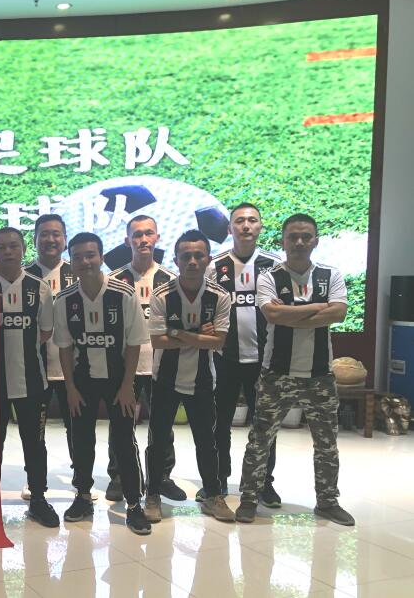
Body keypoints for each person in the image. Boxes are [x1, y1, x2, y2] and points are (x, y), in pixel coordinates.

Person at [236, 214, 353, 526]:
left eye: (306, 236)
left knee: (326, 445)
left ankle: (327, 502)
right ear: (283, 241)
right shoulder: (269, 277)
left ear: (316, 241)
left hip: (319, 376)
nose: (299, 242)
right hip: (276, 374)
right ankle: (248, 500)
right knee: (260, 441)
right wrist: (318, 307)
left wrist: (292, 312)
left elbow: (339, 313)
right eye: (293, 237)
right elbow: (273, 316)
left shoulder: (330, 275)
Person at [53, 233, 152, 535]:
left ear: (101, 257)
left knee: (124, 442)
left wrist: (127, 386)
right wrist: (70, 388)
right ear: (71, 261)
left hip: (118, 380)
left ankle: (134, 505)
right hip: (82, 382)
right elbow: (65, 348)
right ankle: (83, 496)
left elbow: (134, 343)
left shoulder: (123, 294)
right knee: (82, 440)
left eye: (90, 255)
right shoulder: (65, 300)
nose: (85, 261)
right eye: (78, 256)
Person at [0, 227, 58, 528]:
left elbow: (45, 332)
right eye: (1, 247)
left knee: (35, 443)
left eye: (13, 246)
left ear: (23, 250)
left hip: (32, 382)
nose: (7, 252)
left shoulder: (39, 288)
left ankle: (39, 499)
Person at [144, 229, 234, 523]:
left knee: (207, 442)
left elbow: (218, 341)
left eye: (199, 255)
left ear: (208, 259)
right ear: (176, 260)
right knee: (158, 442)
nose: (192, 261)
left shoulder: (219, 296)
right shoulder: (162, 295)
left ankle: (213, 495)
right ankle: (152, 495)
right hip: (165, 380)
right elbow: (157, 341)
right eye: (186, 256)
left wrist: (176, 332)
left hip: (203, 381)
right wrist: (196, 334)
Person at [204, 203, 282, 505]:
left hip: (264, 361)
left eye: (252, 220)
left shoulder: (274, 266)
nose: (246, 225)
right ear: (230, 228)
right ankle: (218, 480)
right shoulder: (216, 266)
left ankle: (263, 483)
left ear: (260, 226)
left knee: (265, 426)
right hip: (223, 359)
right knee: (219, 424)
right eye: (239, 221)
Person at [107, 215, 184, 503]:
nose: (143, 239)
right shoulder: (114, 280)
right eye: (137, 234)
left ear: (157, 238)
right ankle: (119, 476)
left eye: (148, 233)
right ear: (127, 240)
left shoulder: (171, 280)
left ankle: (161, 477)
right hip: (125, 367)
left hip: (161, 365)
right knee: (121, 425)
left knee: (162, 426)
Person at [22, 214, 77, 502]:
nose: (50, 239)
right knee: (35, 431)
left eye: (56, 234)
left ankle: (81, 479)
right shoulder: (23, 276)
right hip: (36, 367)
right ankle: (35, 481)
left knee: (77, 427)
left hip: (73, 368)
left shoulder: (78, 272)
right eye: (44, 234)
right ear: (34, 239)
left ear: (65, 239)